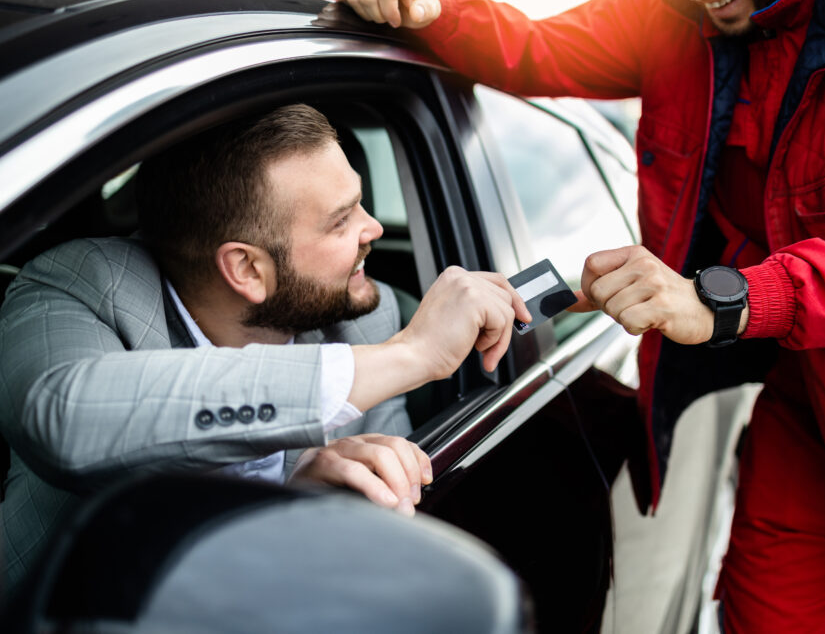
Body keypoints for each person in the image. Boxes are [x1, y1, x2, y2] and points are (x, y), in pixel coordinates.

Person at [337, 0, 825, 630]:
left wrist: (721, 301)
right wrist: (424, 5)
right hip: (806, 410)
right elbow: (532, 45)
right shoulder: (673, 13)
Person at [0, 103, 528, 588]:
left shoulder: (368, 315)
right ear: (247, 268)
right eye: (342, 220)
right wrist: (410, 356)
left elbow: (384, 524)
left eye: (361, 203)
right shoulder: (80, 284)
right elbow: (65, 418)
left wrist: (326, 494)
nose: (372, 228)